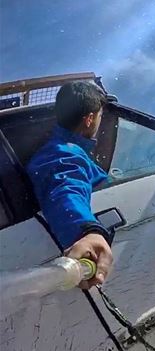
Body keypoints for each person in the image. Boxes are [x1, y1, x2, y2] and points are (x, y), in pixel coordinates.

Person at [27, 81, 113, 289]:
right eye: (100, 116)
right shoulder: (62, 153)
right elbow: (65, 188)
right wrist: (87, 232)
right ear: (89, 119)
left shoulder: (69, 150)